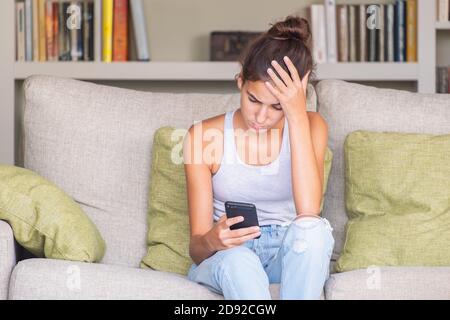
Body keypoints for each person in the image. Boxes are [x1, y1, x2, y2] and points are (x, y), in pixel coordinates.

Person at [182, 15, 334, 300]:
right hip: (230, 257)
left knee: (315, 232)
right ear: (240, 81)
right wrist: (213, 239)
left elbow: (308, 212)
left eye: (277, 107)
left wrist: (297, 115)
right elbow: (197, 249)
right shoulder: (202, 137)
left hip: (285, 258)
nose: (261, 117)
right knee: (241, 261)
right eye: (253, 100)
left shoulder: (311, 126)